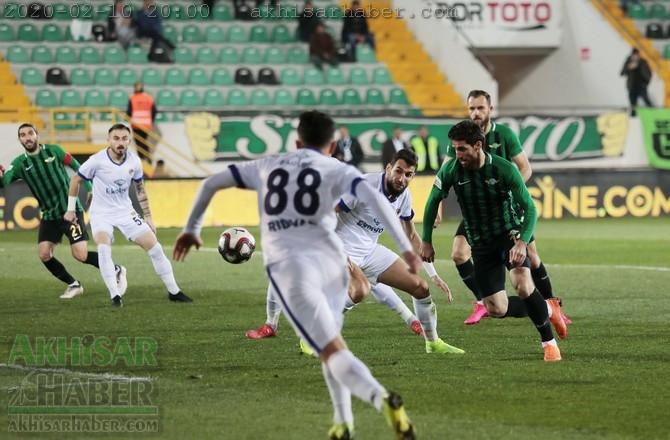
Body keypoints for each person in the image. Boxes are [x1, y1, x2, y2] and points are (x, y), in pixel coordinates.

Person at [173, 110, 416, 440]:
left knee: (329, 346)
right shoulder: (340, 169)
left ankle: (374, 401)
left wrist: (191, 229)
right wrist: (406, 249)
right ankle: (347, 420)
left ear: (297, 141)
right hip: (330, 256)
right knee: (330, 342)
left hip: (294, 265)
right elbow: (376, 198)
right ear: (331, 146)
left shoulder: (269, 165)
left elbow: (212, 183)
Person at [247, 149, 456, 344]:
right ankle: (278, 324)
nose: (402, 178)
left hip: (368, 249)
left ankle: (421, 328)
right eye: (399, 171)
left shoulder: (399, 195)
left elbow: (410, 234)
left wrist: (432, 272)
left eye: (408, 174)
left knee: (408, 285)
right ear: (388, 168)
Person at [421, 120, 566, 362]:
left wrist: (522, 242)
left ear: (478, 146)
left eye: (462, 149)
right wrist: (426, 240)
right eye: (455, 148)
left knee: (522, 284)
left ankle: (549, 344)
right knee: (496, 309)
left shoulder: (504, 169)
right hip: (480, 243)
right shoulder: (451, 170)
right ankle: (550, 308)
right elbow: (431, 202)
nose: (457, 155)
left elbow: (530, 208)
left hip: (509, 235)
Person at [439, 90, 570, 326]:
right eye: (471, 108)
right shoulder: (462, 139)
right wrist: (437, 203)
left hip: (507, 208)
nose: (475, 112)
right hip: (479, 211)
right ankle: (483, 301)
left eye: (480, 108)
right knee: (458, 253)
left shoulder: (505, 134)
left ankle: (551, 303)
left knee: (531, 256)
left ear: (490, 109)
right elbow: (444, 174)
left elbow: (525, 168)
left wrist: (509, 192)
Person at [64, 124, 192, 307]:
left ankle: (174, 291)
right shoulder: (97, 160)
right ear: (109, 141)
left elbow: (140, 189)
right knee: (103, 248)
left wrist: (148, 217)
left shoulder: (134, 162)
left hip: (125, 211)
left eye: (124, 139)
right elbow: (76, 179)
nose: (120, 142)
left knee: (155, 248)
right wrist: (70, 209)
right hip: (102, 213)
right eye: (116, 138)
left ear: (130, 141)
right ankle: (115, 296)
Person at [0, 123, 126, 299]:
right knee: (44, 254)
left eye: (30, 133)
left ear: (37, 135)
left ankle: (117, 269)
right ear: (19, 139)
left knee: (80, 255)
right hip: (50, 215)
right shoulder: (20, 163)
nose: (27, 137)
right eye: (23, 135)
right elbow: (4, 183)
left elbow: (77, 166)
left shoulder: (54, 151)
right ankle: (73, 284)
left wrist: (90, 188)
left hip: (71, 211)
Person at [127, 81, 156, 165]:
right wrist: (150, 120)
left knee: (139, 143)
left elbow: (129, 111)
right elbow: (154, 111)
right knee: (144, 141)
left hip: (136, 124)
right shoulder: (148, 97)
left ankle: (142, 160)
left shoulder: (132, 98)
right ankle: (148, 159)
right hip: (146, 124)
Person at [620, 48, 653, 117]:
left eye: (636, 55)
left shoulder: (643, 62)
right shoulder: (628, 62)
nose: (635, 57)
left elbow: (649, 74)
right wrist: (629, 68)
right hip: (632, 87)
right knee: (633, 105)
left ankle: (654, 114)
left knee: (647, 101)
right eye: (634, 55)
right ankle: (633, 118)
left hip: (641, 86)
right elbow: (622, 73)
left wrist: (646, 83)